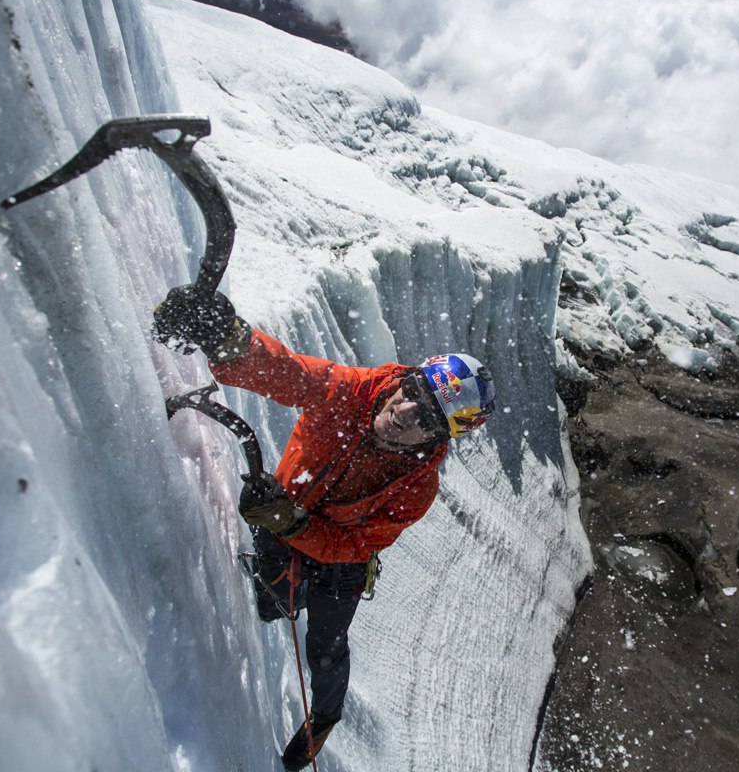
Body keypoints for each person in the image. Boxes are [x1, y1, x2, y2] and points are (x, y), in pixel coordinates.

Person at [153, 285, 496, 771]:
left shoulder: (417, 487)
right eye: (412, 393)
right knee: (277, 602)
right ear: (406, 380)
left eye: (427, 417)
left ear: (441, 437)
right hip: (284, 518)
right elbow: (289, 373)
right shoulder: (354, 392)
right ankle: (278, 601)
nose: (403, 412)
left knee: (327, 651)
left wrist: (291, 523)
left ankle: (325, 717)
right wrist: (227, 339)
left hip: (337, 560)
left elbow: (355, 545)